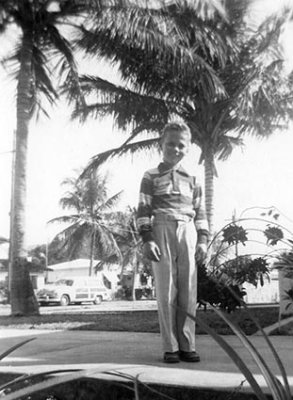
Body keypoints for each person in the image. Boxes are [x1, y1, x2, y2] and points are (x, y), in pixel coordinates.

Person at [137, 122, 209, 363]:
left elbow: (201, 212)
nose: (175, 149)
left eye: (181, 145)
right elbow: (143, 208)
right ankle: (171, 346)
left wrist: (202, 242)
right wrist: (147, 239)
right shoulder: (151, 175)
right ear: (162, 144)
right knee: (167, 289)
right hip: (162, 229)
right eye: (171, 144)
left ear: (188, 148)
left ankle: (188, 344)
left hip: (187, 231)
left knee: (188, 289)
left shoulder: (193, 178)